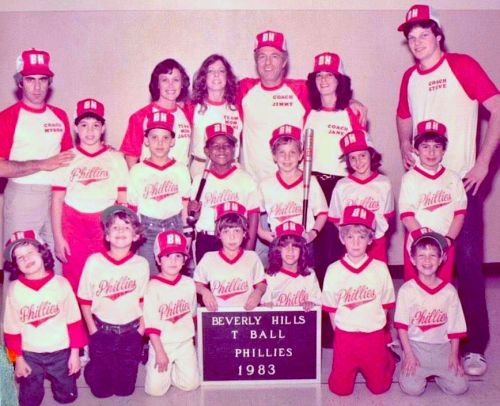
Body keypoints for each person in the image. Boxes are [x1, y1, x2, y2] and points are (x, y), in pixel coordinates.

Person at [396, 4, 499, 375]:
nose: (418, 42)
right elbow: (403, 116)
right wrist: (405, 149)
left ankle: (473, 347)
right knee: (421, 264)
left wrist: (484, 160)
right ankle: (418, 339)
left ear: (438, 36)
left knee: (468, 264)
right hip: (424, 188)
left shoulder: (462, 65)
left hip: (460, 184)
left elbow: (498, 106)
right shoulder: (410, 76)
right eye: (412, 38)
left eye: (424, 35)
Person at [239, 30, 367, 183]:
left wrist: (351, 101)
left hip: (294, 185)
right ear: (256, 61)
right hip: (253, 183)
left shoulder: (301, 90)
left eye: (274, 56)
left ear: (284, 62)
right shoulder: (242, 89)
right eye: (262, 56)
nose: (268, 63)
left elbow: (328, 92)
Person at [0, 49, 74, 282]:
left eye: (42, 80)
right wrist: (42, 164)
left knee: (55, 259)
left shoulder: (59, 116)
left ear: (49, 83)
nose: (37, 86)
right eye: (30, 80)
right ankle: (11, 319)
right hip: (23, 195)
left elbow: (69, 158)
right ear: (20, 83)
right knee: (20, 261)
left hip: (55, 197)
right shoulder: (8, 116)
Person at [51, 98, 128, 291]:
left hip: (105, 223)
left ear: (103, 128)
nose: (90, 131)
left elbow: (123, 200)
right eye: (84, 125)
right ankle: (77, 321)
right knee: (75, 277)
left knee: (106, 276)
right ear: (76, 127)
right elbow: (57, 201)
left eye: (95, 125)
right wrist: (58, 238)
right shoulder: (67, 158)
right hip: (73, 223)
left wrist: (122, 231)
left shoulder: (115, 158)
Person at [3, 230, 86, 406]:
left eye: (30, 252)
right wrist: (16, 359)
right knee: (29, 398)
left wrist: (75, 354)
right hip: (29, 353)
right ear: (15, 265)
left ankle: (64, 393)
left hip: (61, 350)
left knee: (67, 395)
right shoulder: (14, 290)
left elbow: (74, 322)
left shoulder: (61, 284)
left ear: (42, 252)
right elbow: (10, 331)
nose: (26, 259)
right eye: (19, 257)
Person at [304, 52, 366, 282]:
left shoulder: (352, 113)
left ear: (340, 80)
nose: (323, 80)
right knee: (316, 245)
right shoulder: (309, 112)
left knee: (339, 243)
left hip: (341, 184)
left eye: (329, 75)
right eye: (319, 75)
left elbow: (361, 155)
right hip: (314, 184)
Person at [322, 206, 395, 396]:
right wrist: (340, 334)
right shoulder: (334, 270)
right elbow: (331, 310)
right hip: (346, 338)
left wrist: (375, 326)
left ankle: (385, 357)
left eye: (362, 237)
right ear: (342, 238)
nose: (355, 243)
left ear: (370, 239)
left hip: (373, 336)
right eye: (350, 236)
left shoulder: (379, 268)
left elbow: (386, 306)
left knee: (379, 388)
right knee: (340, 390)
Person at [77, 205, 149, 398]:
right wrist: (93, 330)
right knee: (102, 392)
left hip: (130, 332)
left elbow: (145, 303)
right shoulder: (94, 262)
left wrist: (140, 332)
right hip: (102, 331)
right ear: (107, 236)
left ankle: (120, 367)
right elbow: (84, 299)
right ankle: (93, 369)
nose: (120, 231)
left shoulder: (141, 265)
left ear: (135, 236)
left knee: (125, 390)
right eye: (114, 228)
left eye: (126, 227)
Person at [395, 230, 468, 396]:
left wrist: (454, 355)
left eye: (433, 255)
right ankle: (412, 367)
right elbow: (402, 328)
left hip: (442, 347)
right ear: (412, 260)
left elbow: (455, 329)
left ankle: (438, 374)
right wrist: (409, 354)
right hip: (416, 346)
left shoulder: (449, 291)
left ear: (441, 259)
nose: (427, 260)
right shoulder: (407, 290)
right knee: (413, 389)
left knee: (460, 386)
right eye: (421, 255)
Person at [399, 120, 466, 282]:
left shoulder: (453, 178)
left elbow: (460, 214)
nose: (431, 152)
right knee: (415, 288)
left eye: (437, 146)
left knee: (442, 286)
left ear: (444, 150)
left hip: (445, 243)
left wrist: (448, 240)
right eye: (425, 146)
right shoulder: (410, 178)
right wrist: (425, 241)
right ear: (416, 149)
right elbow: (407, 215)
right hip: (417, 244)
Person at [127, 111, 191, 273]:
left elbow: (185, 206)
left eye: (165, 137)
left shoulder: (181, 169)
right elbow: (133, 210)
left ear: (173, 141)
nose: (160, 143)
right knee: (150, 276)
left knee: (174, 274)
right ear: (146, 140)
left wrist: (187, 235)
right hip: (146, 231)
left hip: (174, 226)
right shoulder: (137, 171)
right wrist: (133, 239)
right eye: (154, 137)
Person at [189, 123, 259, 263]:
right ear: (207, 151)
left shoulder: (245, 179)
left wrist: (249, 249)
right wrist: (193, 211)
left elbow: (253, 215)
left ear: (234, 149)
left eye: (227, 145)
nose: (221, 149)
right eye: (215, 145)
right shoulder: (199, 180)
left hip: (236, 240)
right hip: (206, 240)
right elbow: (195, 217)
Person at [143, 230, 200, 396]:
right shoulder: (152, 287)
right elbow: (151, 326)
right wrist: (160, 353)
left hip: (184, 343)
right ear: (158, 259)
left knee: (191, 385)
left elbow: (193, 317)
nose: (173, 261)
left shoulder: (189, 284)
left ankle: (176, 370)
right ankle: (155, 365)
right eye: (167, 256)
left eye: (178, 256)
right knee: (155, 392)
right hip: (162, 344)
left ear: (185, 260)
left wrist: (193, 344)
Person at [328, 129, 394, 263]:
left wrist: (370, 236)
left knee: (377, 277)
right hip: (352, 244)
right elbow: (335, 218)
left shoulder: (384, 183)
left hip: (376, 242)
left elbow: (386, 216)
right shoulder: (342, 185)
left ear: (371, 154)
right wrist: (349, 237)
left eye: (362, 155)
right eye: (353, 157)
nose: (358, 161)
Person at [258, 124, 328, 245]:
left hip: (304, 242)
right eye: (282, 153)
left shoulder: (311, 181)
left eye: (292, 152)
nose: (287, 158)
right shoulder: (265, 184)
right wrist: (261, 232)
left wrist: (312, 233)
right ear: (274, 156)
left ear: (301, 155)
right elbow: (253, 212)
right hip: (278, 242)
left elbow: (322, 212)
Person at [193, 201, 266, 311]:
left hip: (246, 317)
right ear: (218, 234)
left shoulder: (252, 257)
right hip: (218, 319)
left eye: (237, 230)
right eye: (226, 231)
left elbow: (261, 283)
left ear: (245, 233)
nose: (232, 237)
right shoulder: (209, 258)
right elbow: (196, 283)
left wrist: (258, 293)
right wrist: (205, 292)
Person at [120, 58, 192, 168]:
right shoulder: (140, 116)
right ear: (157, 84)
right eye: (165, 80)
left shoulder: (187, 113)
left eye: (176, 80)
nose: (171, 85)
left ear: (182, 84)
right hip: (150, 182)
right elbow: (131, 161)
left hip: (180, 180)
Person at [189, 54, 242, 177]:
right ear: (204, 77)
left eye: (221, 71)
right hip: (200, 168)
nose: (216, 75)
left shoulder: (238, 108)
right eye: (211, 71)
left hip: (231, 169)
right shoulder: (192, 107)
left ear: (227, 76)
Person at [261, 221, 320, 310]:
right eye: (285, 246)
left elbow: (317, 301)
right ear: (278, 249)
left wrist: (311, 303)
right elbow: (265, 306)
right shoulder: (269, 276)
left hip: (303, 323)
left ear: (302, 250)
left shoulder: (309, 274)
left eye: (295, 246)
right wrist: (266, 307)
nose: (290, 250)